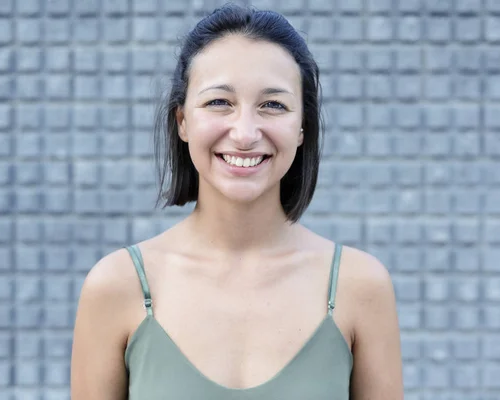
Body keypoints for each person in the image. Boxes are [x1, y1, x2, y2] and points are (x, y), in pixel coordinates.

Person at [70, 4, 403, 399]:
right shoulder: (116, 286)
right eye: (219, 102)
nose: (245, 133)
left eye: (273, 105)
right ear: (182, 122)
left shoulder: (360, 286)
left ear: (301, 128)